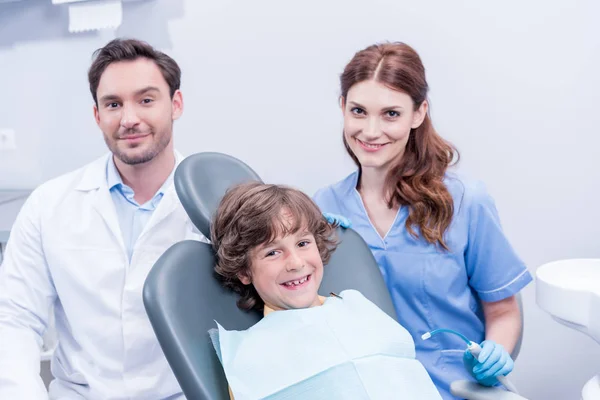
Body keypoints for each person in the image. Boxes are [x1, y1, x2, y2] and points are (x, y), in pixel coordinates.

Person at [314, 42, 533, 399]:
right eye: (358, 111)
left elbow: (504, 310)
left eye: (391, 114)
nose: (370, 131)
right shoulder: (324, 206)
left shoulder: (464, 202)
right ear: (342, 108)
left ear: (419, 114)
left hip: (452, 388)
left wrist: (497, 353)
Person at [0, 38, 205, 399]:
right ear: (98, 115)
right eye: (113, 104)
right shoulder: (49, 205)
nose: (129, 119)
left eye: (146, 100)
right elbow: (14, 319)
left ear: (176, 104)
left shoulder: (219, 203)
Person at [209, 182, 443, 400]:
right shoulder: (249, 358)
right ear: (244, 271)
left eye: (303, 243)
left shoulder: (358, 308)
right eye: (272, 252)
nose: (296, 263)